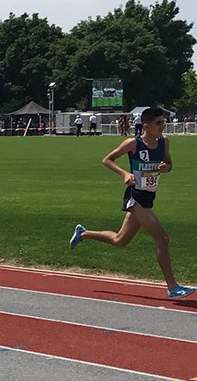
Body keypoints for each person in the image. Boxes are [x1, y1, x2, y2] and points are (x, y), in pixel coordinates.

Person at [69, 107, 195, 298]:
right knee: (162, 238)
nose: (163, 126)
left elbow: (169, 164)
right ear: (146, 125)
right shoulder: (133, 144)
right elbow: (107, 160)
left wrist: (165, 167)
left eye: (163, 122)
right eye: (158, 123)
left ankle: (83, 234)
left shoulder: (164, 142)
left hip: (148, 198)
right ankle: (172, 287)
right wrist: (124, 173)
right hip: (135, 197)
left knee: (120, 241)